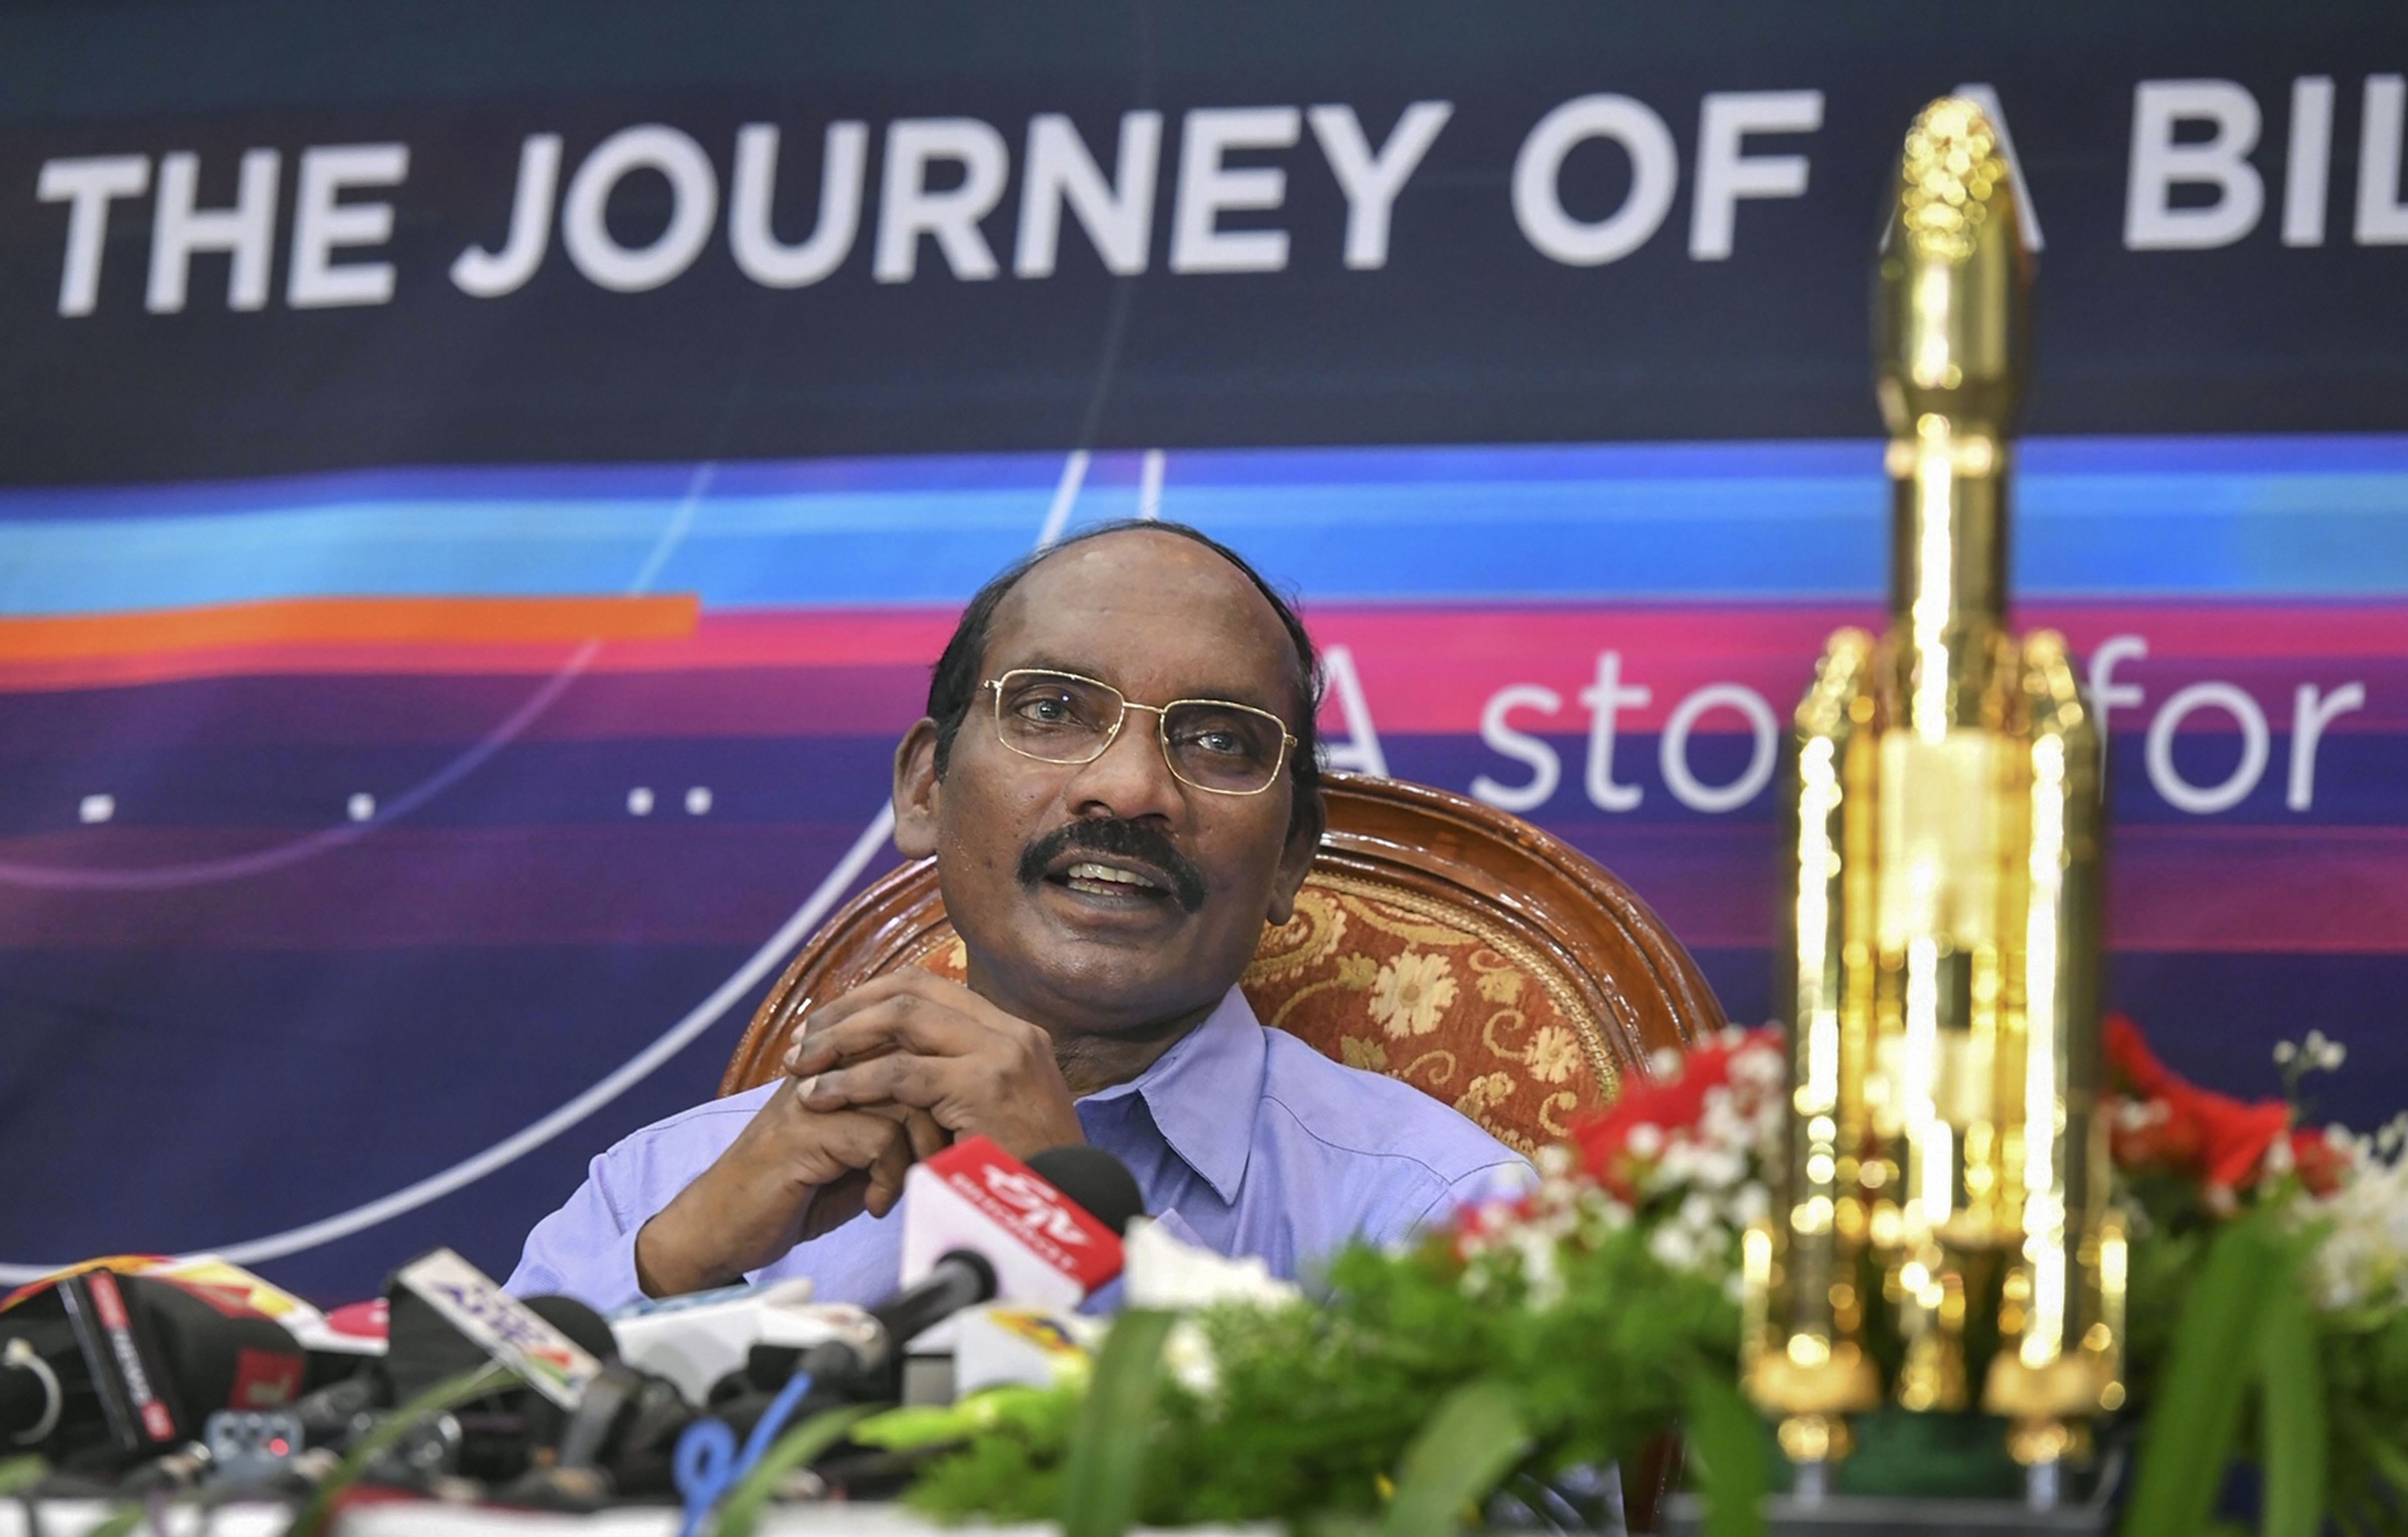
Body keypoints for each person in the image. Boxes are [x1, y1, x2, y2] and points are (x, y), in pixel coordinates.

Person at [508, 521, 1528, 1311]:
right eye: (1051, 711)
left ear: (1290, 858)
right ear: (925, 790)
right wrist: (678, 1264)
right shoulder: (668, 1181)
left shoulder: (1441, 1214)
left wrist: (1071, 1232)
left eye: (1218, 742)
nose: (1130, 789)